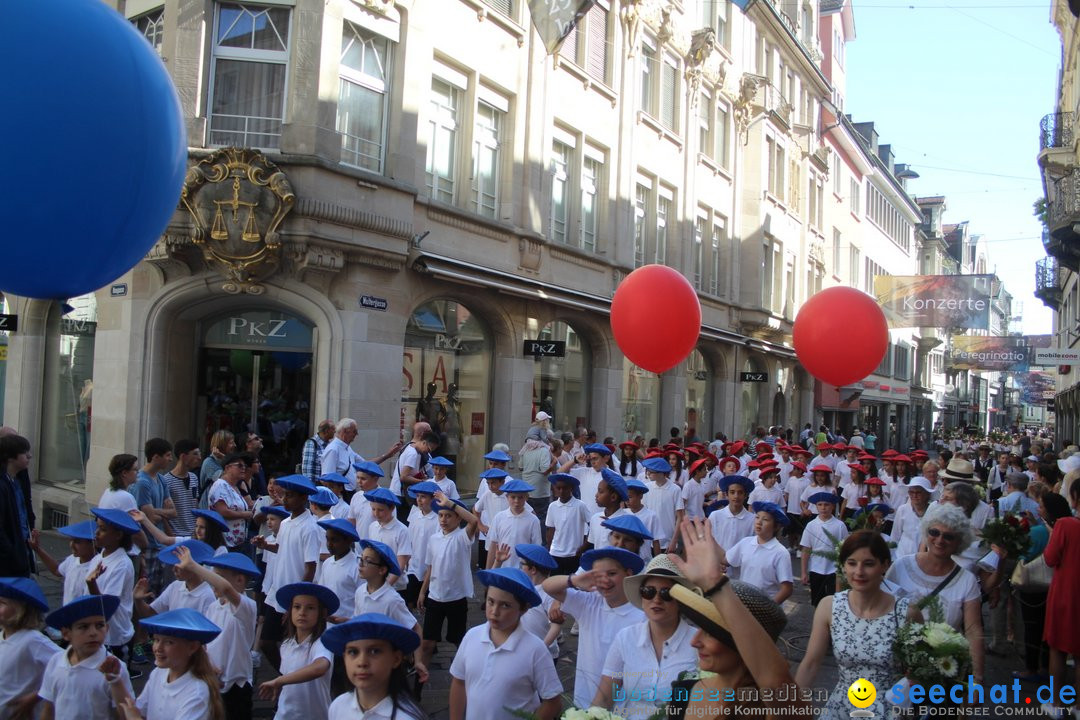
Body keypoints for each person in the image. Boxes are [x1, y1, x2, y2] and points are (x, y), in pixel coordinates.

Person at [662, 518, 800, 718]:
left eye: (710, 633)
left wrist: (716, 585)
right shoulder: (683, 691)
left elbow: (776, 685)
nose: (694, 641)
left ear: (743, 644)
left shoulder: (770, 710)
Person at [796, 531, 919, 720]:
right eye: (852, 563)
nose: (859, 572)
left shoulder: (906, 613)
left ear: (885, 565)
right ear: (843, 566)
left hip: (890, 711)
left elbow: (919, 673)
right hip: (841, 709)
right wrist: (791, 707)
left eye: (868, 564)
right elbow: (811, 663)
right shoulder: (829, 606)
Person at [886, 503, 985, 684]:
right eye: (934, 533)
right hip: (896, 667)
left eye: (948, 536)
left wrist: (976, 679)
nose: (940, 540)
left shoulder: (967, 580)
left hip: (942, 672)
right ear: (926, 533)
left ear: (959, 541)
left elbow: (973, 630)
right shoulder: (901, 567)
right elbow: (882, 611)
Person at [591, 555, 698, 720]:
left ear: (681, 600)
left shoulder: (699, 643)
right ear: (642, 597)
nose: (656, 599)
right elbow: (605, 697)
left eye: (666, 593)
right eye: (649, 592)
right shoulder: (626, 637)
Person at [449, 568, 563, 720]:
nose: (494, 611)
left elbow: (553, 702)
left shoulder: (535, 649)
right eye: (491, 602)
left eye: (505, 605)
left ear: (523, 609)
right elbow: (459, 682)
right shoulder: (472, 636)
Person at [542, 547, 646, 708]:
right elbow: (548, 586)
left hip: (625, 704)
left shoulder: (642, 614)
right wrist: (574, 580)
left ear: (629, 574)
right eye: (598, 575)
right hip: (585, 698)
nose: (605, 580)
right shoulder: (589, 602)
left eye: (612, 574)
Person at [100, 607, 225, 720]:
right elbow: (136, 711)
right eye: (156, 640)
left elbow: (135, 716)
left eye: (169, 642)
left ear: (192, 647)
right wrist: (114, 680)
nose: (158, 648)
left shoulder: (197, 693)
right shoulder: (159, 673)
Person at [180, 549, 261, 720]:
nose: (212, 583)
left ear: (239, 580)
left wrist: (193, 566)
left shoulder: (247, 606)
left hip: (237, 685)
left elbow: (225, 588)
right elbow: (205, 644)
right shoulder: (213, 607)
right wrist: (209, 666)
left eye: (216, 577)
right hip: (213, 681)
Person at [253, 474, 321, 672]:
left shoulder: (310, 527)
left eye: (290, 496)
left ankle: (290, 681)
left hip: (294, 597)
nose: (285, 499)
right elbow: (281, 548)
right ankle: (285, 678)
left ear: (303, 499)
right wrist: (265, 544)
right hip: (278, 592)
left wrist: (297, 601)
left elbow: (311, 567)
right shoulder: (285, 523)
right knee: (267, 642)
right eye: (285, 495)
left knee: (291, 645)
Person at [1010, 492, 1071, 683]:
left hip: (1036, 587)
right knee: (1048, 629)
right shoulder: (1070, 526)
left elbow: (1029, 556)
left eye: (1042, 506)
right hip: (1059, 586)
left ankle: (1031, 668)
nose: (1038, 509)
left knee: (1033, 627)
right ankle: (1046, 666)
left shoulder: (1040, 532)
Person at [39, 594, 132, 720]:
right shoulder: (56, 661)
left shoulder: (115, 668)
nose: (93, 633)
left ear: (107, 628)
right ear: (66, 633)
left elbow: (126, 715)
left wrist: (114, 680)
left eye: (99, 625)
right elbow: (49, 708)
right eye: (83, 627)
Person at [322, 614, 428, 720]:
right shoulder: (338, 706)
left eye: (374, 651)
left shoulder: (407, 717)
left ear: (396, 659)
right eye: (353, 652)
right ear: (344, 658)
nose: (362, 662)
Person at [419, 492, 479, 671]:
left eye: (448, 515)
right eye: (441, 515)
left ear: (458, 518)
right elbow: (431, 568)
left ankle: (465, 674)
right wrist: (423, 591)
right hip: (435, 598)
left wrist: (450, 503)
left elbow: (474, 521)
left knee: (458, 640)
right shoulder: (434, 539)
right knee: (428, 642)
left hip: (456, 598)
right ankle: (419, 680)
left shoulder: (462, 537)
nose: (443, 519)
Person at [260, 583, 337, 720]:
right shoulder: (286, 645)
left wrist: (280, 681)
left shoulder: (322, 642)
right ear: (290, 611)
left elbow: (320, 667)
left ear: (322, 613)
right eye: (297, 607)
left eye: (310, 608)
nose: (302, 612)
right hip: (285, 714)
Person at [1043, 482, 1080, 717]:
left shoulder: (1066, 525)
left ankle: (1056, 703)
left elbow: (1049, 558)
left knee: (1057, 648)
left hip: (1066, 592)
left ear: (1075, 497)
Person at [0, 577, 60, 719]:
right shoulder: (2, 635)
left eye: (2, 603)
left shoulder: (32, 641)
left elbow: (67, 667)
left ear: (20, 610)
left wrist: (37, 696)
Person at [722, 502, 793, 604]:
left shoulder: (780, 552)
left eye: (765, 519)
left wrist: (769, 608)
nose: (759, 522)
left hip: (764, 608)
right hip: (743, 604)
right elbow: (725, 559)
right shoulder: (746, 542)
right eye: (757, 517)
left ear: (776, 526)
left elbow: (787, 588)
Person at [132, 438, 177, 594]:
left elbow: (173, 512)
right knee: (147, 592)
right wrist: (158, 513)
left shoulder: (161, 479)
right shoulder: (142, 483)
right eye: (167, 455)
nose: (171, 459)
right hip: (148, 546)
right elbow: (150, 518)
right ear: (155, 457)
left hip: (160, 545)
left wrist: (155, 511)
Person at [30, 520, 98, 606]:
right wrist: (37, 549)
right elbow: (56, 570)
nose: (71, 545)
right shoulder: (72, 559)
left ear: (93, 544)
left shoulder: (97, 567)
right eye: (71, 540)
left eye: (77, 542)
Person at [800, 492, 848, 606]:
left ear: (832, 506)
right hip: (816, 568)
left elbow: (845, 548)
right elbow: (806, 549)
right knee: (817, 601)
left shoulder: (840, 525)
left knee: (834, 600)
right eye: (820, 504)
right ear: (816, 506)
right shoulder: (811, 525)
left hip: (834, 570)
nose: (823, 508)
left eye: (826, 505)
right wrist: (803, 572)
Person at [0, 433, 35, 577]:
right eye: (24, 452)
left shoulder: (17, 481)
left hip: (21, 550)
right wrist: (12, 554)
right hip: (10, 561)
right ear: (10, 457)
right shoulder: (3, 486)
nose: (29, 456)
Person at [209, 453, 256, 552]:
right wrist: (245, 514)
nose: (243, 468)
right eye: (239, 465)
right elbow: (223, 512)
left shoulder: (234, 487)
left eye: (245, 466)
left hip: (238, 542)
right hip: (225, 542)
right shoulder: (220, 485)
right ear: (227, 468)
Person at [164, 440, 203, 537]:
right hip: (177, 536)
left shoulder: (194, 477)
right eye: (195, 454)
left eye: (199, 454)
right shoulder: (166, 481)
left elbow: (195, 504)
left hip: (193, 535)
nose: (199, 458)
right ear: (183, 456)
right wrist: (171, 536)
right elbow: (164, 514)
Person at [302, 420, 335, 484]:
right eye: (333, 429)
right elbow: (307, 469)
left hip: (326, 484)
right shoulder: (312, 443)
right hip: (316, 484)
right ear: (326, 431)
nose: (335, 431)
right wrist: (310, 487)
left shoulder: (329, 445)